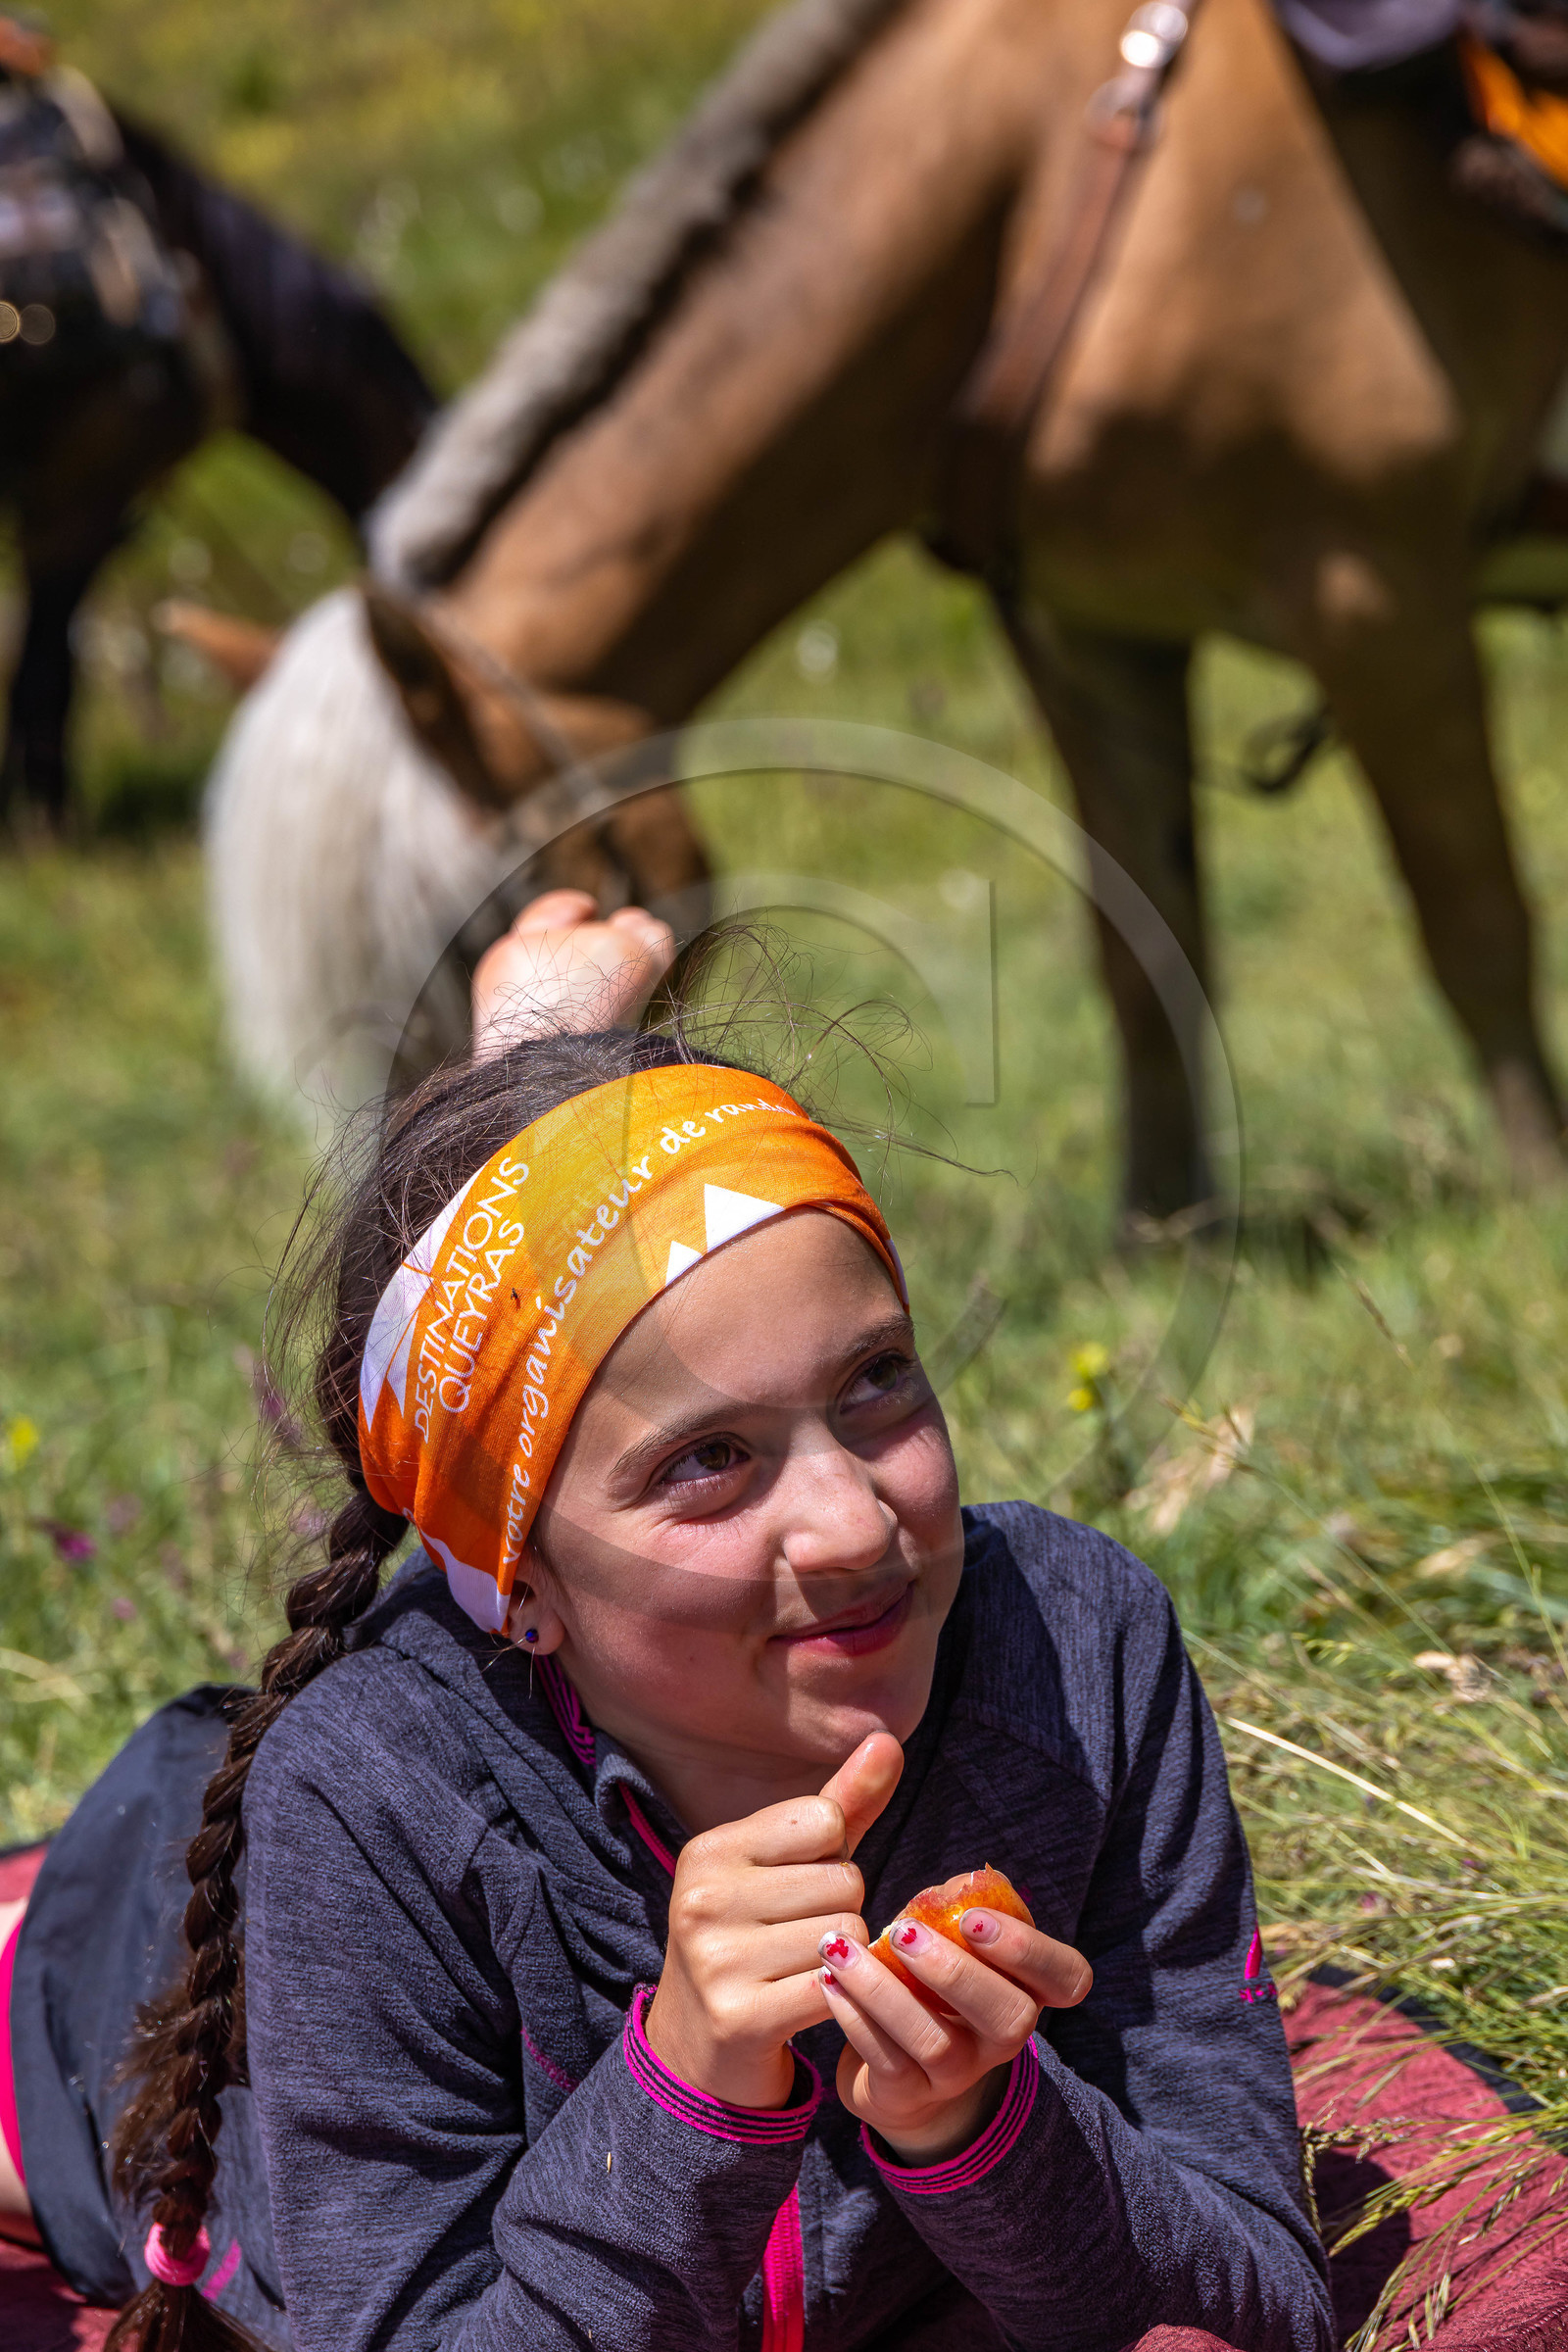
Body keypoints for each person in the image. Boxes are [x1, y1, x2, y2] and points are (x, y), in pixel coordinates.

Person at [2, 891, 1334, 2352]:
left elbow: (1266, 2301)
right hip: (135, 1954)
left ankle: (542, 1063)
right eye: (707, 1461)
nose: (852, 1526)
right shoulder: (375, 1799)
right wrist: (686, 2090)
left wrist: (983, 2123)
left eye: (878, 1380)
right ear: (521, 1594)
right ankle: (534, 1052)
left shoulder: (1082, 1654)